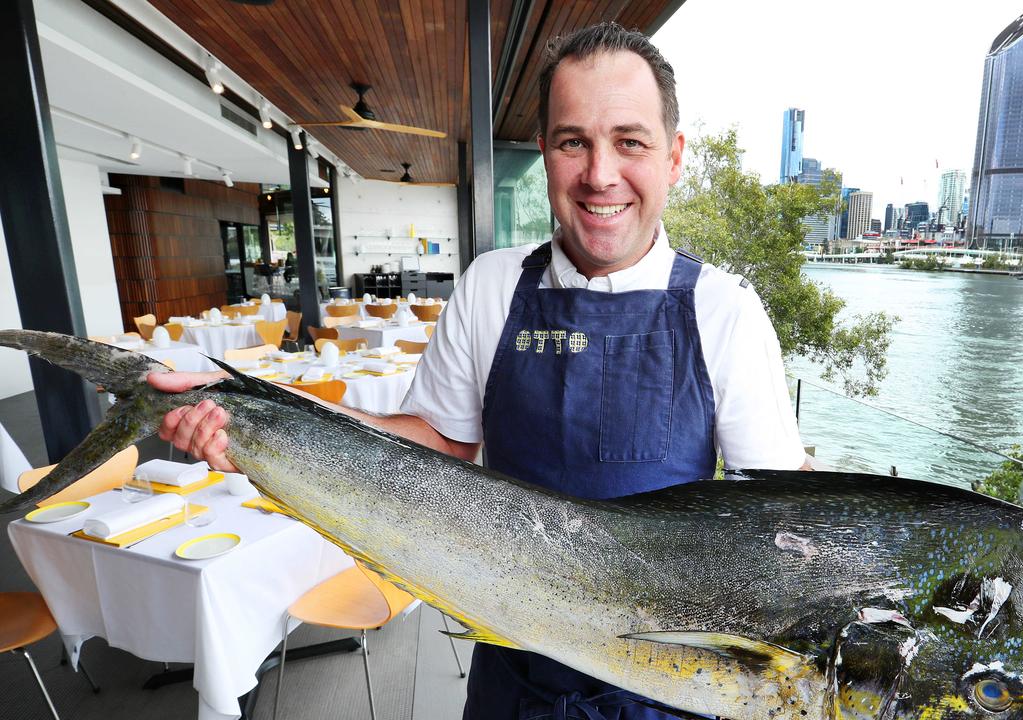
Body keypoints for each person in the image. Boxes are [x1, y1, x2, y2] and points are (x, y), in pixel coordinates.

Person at [153, 22, 806, 720]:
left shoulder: (724, 310)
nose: (600, 173)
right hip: (511, 678)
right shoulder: (492, 285)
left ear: (674, 158)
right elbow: (429, 443)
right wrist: (254, 413)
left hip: (667, 690)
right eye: (572, 141)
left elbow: (782, 527)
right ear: (548, 155)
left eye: (630, 141)